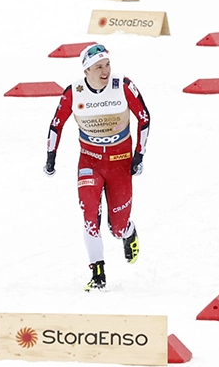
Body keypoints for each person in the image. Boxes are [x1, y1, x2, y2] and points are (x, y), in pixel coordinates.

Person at [45, 44, 151, 291]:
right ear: (86, 71)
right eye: (98, 67)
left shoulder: (122, 86)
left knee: (117, 227)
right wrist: (51, 157)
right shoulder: (75, 91)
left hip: (120, 162)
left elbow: (144, 117)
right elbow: (56, 125)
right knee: (90, 217)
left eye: (107, 65)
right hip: (90, 162)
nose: (105, 71)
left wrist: (139, 155)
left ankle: (128, 232)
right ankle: (98, 273)